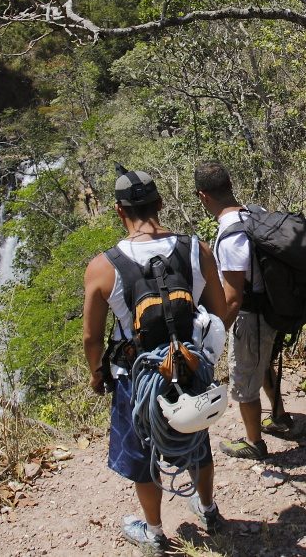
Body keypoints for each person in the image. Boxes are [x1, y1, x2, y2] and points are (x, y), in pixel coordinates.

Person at [82, 169, 228, 555]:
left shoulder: (104, 266)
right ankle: (209, 510)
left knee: (142, 449)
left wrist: (98, 374)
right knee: (196, 435)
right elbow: (219, 312)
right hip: (188, 367)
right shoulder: (196, 249)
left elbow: (91, 337)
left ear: (118, 211)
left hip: (137, 376)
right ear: (160, 204)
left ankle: (155, 531)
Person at [194, 160, 294, 460]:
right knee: (262, 365)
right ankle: (279, 417)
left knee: (244, 381)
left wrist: (213, 340)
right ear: (230, 186)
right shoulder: (255, 213)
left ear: (203, 196)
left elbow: (234, 299)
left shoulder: (230, 236)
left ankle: (254, 443)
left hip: (252, 319)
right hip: (274, 309)